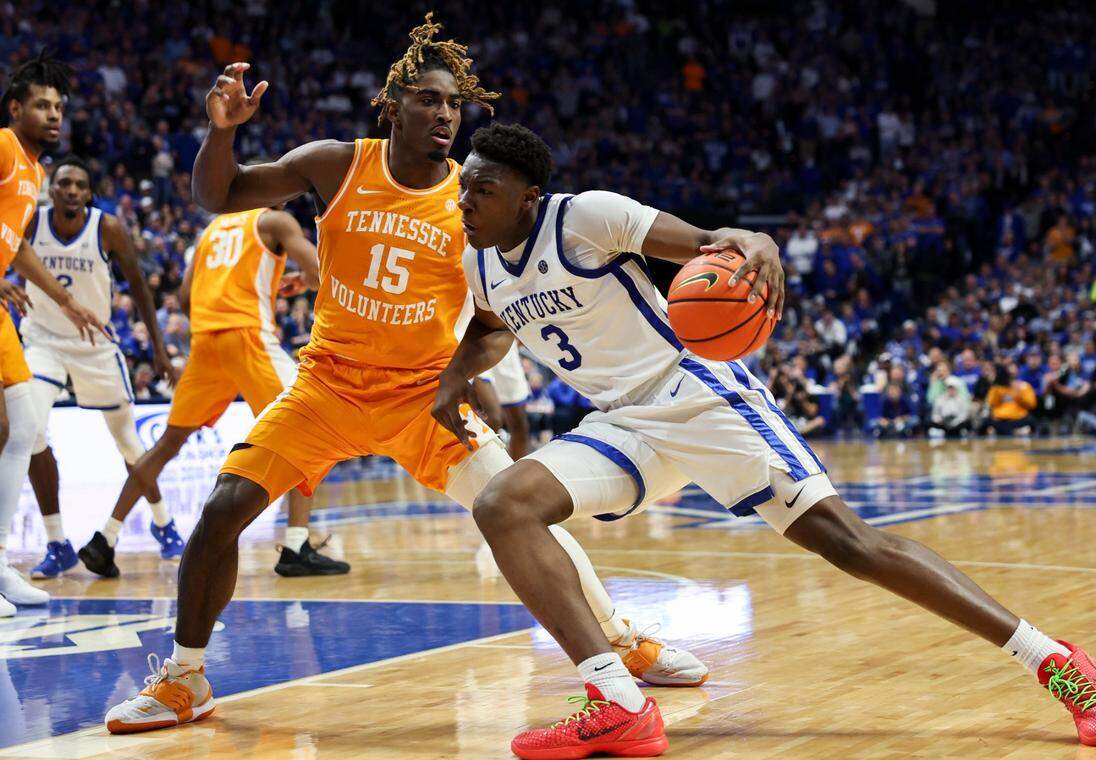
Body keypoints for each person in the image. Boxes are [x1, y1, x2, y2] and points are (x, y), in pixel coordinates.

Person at [432, 124, 1096, 756]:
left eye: (483, 190)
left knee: (852, 545)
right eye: (464, 186)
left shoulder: (584, 216)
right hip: (619, 422)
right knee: (504, 505)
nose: (465, 200)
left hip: (697, 393)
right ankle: (618, 703)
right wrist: (453, 378)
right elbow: (491, 329)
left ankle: (1057, 663)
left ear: (528, 197)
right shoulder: (480, 263)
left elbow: (711, 243)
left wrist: (754, 242)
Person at [104, 15, 704, 735]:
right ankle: (185, 679)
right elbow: (219, 194)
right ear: (391, 107)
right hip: (326, 387)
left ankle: (621, 641)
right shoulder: (336, 164)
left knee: (517, 511)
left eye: (453, 103)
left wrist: (458, 381)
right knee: (223, 510)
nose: (445, 113)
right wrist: (223, 130)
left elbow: (497, 318)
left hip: (424, 398)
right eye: (428, 99)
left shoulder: (474, 202)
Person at [75, 203, 339, 579]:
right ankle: (296, 546)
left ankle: (106, 537)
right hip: (247, 336)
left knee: (166, 445)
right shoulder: (274, 220)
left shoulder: (211, 230)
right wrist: (303, 279)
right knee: (306, 429)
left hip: (205, 342)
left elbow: (186, 297)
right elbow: (321, 269)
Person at [21, 157, 179, 579]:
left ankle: (164, 523)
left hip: (95, 345)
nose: (72, 190)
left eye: (80, 185)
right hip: (43, 341)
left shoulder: (107, 228)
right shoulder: (32, 222)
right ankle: (57, 543)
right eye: (65, 183)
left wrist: (160, 349)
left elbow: (140, 288)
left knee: (129, 444)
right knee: (31, 431)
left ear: (89, 194)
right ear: (52, 190)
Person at [0, 55, 107, 614]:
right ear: (16, 108)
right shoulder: (2, 146)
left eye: (59, 106)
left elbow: (15, 245)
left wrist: (65, 300)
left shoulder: (36, 173)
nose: (54, 114)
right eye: (42, 105)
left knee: (23, 427)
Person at [474, 342, 531, 460]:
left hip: (506, 348)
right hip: (477, 346)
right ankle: (488, 467)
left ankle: (517, 468)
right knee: (493, 418)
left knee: (519, 425)